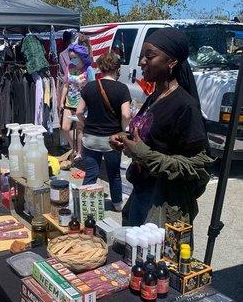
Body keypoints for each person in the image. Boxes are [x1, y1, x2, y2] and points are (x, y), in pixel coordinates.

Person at [110, 28, 212, 227]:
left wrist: (142, 153)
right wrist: (123, 137)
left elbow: (197, 166)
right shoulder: (154, 97)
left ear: (171, 62)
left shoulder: (185, 106)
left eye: (149, 56)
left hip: (163, 204)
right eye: (142, 56)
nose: (141, 62)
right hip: (141, 194)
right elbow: (148, 135)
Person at [77, 51, 131, 211]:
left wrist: (85, 124)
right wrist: (122, 129)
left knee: (91, 173)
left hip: (91, 137)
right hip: (112, 139)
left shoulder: (90, 86)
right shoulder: (122, 89)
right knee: (113, 173)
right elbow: (126, 114)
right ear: (117, 68)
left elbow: (79, 111)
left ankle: (85, 205)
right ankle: (117, 205)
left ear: (101, 68)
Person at [60, 43, 95, 160]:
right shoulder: (69, 67)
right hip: (69, 102)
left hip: (82, 104)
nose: (72, 60)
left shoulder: (88, 69)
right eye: (71, 57)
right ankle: (73, 148)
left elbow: (92, 86)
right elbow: (66, 85)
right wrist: (61, 101)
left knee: (80, 129)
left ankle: (80, 152)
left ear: (81, 56)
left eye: (74, 57)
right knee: (65, 127)